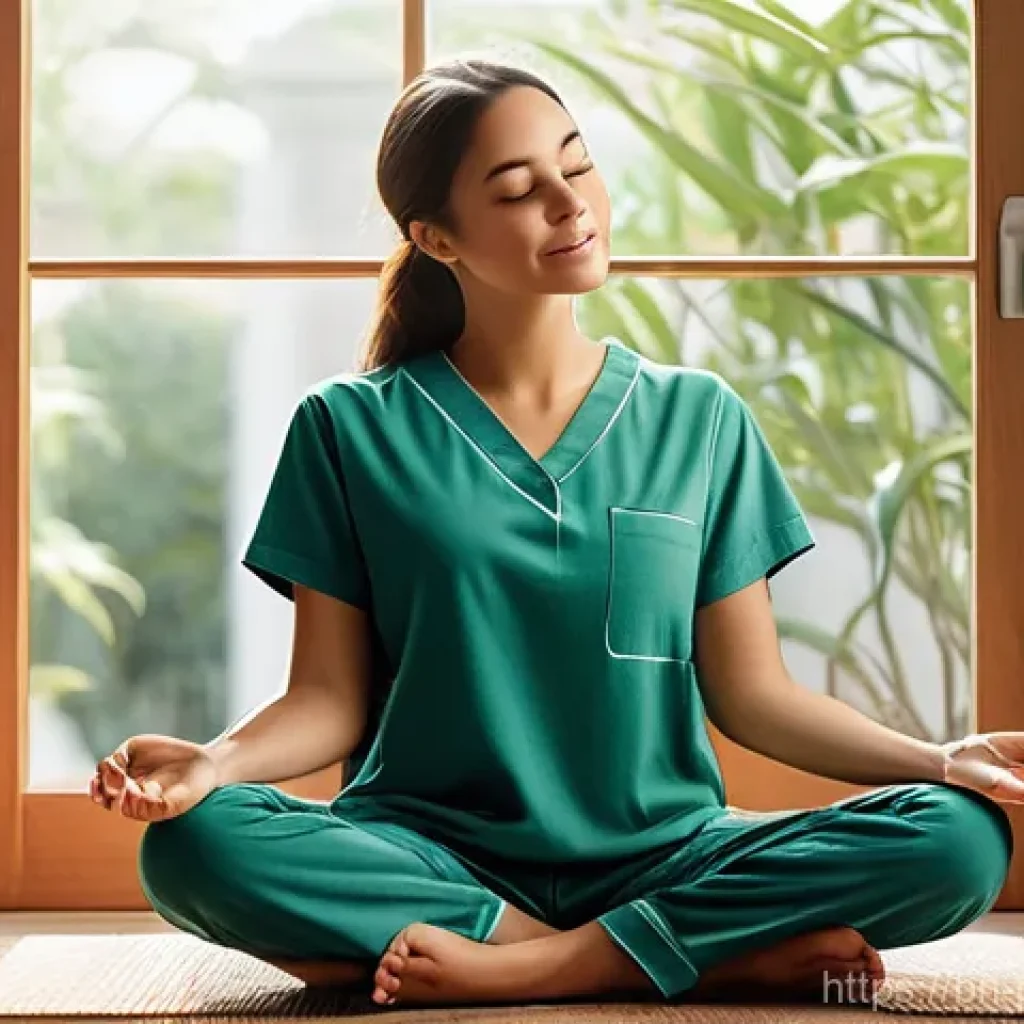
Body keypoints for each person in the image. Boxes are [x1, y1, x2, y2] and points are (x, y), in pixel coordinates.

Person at [89, 58, 1020, 1010]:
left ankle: (535, 962)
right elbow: (327, 698)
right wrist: (216, 763)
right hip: (428, 849)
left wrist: (940, 760)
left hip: (662, 850)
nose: (570, 205)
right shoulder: (346, 429)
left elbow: (755, 696)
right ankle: (689, 956)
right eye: (518, 189)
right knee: (195, 845)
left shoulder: (699, 418)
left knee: (961, 838)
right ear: (436, 237)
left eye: (576, 167)